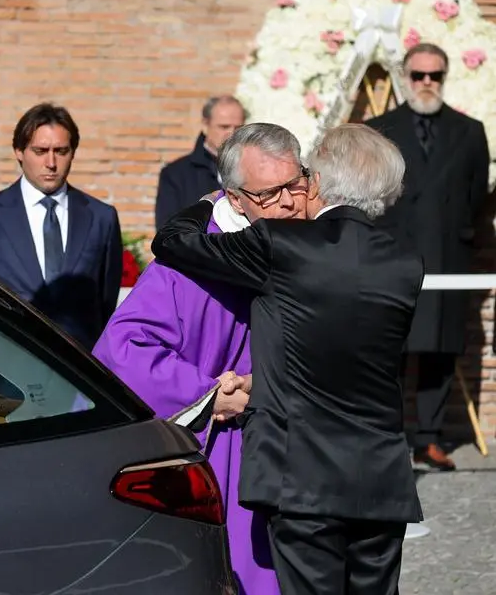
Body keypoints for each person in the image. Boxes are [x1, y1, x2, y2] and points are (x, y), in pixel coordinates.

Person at [151, 123, 423, 595]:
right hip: (382, 477)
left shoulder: (285, 245)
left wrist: (212, 201)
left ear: (316, 182)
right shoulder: (405, 262)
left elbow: (173, 242)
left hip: (303, 477)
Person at [94, 125, 308, 593]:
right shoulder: (190, 261)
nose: (290, 202)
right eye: (271, 193)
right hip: (223, 451)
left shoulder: (304, 244)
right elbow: (122, 349)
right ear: (234, 199)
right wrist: (208, 395)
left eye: (296, 184)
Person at [366, 42, 491, 471]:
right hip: (391, 255)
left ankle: (429, 439)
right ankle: (390, 438)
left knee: (440, 347)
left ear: (445, 77)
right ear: (405, 76)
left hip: (446, 255)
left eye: (434, 76)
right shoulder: (378, 128)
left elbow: (476, 194)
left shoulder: (470, 130)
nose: (425, 83)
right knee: (390, 349)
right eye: (418, 75)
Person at [0, 102, 122, 351]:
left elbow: (105, 301)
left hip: (80, 373)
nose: (51, 162)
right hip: (4, 368)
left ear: (73, 152)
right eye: (40, 151)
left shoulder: (101, 218)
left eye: (61, 151)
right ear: (19, 151)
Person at [154, 95, 246, 230]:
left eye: (238, 127)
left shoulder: (254, 170)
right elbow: (168, 231)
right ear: (205, 124)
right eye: (224, 126)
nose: (231, 133)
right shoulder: (176, 174)